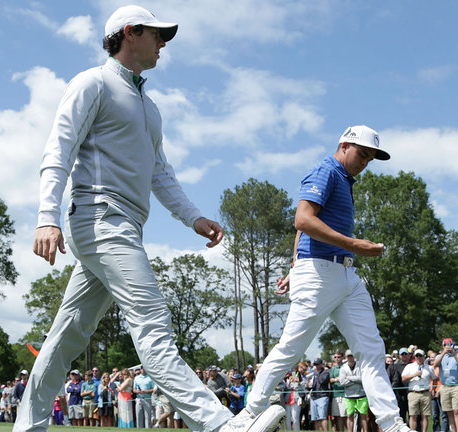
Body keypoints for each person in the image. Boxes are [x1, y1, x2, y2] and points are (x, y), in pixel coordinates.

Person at [19, 4, 285, 432]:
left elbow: (160, 172)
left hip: (124, 227)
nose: (163, 43)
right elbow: (59, 150)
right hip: (99, 216)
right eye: (157, 34)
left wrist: (194, 218)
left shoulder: (151, 107)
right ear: (130, 33)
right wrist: (46, 217)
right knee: (153, 325)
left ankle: (25, 426)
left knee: (65, 336)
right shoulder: (94, 83)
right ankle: (220, 425)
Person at [247, 125, 411, 432]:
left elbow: (304, 227)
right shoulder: (327, 170)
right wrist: (354, 244)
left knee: (371, 349)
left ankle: (391, 425)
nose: (365, 162)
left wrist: (294, 264)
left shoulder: (344, 179)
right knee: (292, 348)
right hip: (321, 271)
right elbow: (302, 218)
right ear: (344, 145)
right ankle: (250, 413)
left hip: (343, 274)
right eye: (362, 154)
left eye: (370, 158)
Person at [433, 338, 458, 432]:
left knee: (457, 410)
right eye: (445, 345)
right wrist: (443, 353)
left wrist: (455, 355)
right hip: (444, 386)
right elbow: (435, 364)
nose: (447, 347)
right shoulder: (439, 356)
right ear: (443, 346)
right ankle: (453, 430)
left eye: (449, 345)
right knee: (449, 411)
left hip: (456, 386)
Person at [402, 349, 435, 432]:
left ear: (424, 357)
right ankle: (413, 431)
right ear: (414, 357)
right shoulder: (409, 366)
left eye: (420, 356)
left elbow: (434, 378)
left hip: (425, 393)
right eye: (417, 356)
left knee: (425, 416)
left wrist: (432, 389)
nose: (418, 357)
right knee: (413, 415)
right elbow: (403, 378)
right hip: (413, 393)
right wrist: (414, 375)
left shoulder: (429, 367)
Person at [339, 350, 369, 432]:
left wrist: (350, 378)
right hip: (349, 396)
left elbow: (362, 379)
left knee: (363, 416)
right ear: (346, 357)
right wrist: (356, 379)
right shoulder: (343, 368)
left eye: (351, 355)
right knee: (349, 416)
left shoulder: (360, 365)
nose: (350, 357)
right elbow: (342, 382)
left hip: (361, 395)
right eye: (348, 356)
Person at [308, 357, 331, 431]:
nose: (316, 366)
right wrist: (308, 384)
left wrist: (316, 374)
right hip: (314, 397)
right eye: (315, 364)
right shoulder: (314, 374)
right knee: (315, 418)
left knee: (323, 417)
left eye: (317, 364)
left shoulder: (325, 372)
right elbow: (312, 386)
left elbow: (322, 381)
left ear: (321, 364)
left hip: (322, 396)